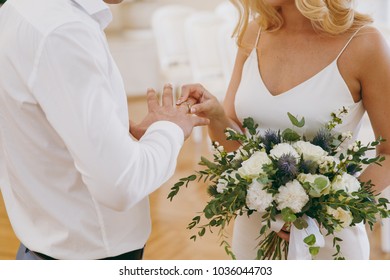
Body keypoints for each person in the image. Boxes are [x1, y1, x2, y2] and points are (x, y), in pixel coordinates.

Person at [178, 0, 390, 259]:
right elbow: (235, 145)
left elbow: (388, 152)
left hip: (328, 240)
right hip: (255, 231)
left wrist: (330, 211)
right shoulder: (253, 33)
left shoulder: (364, 42)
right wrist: (216, 115)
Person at [0, 0, 208, 260]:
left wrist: (134, 142)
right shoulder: (63, 31)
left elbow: (51, 141)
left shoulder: (19, 9)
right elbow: (120, 185)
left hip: (41, 248)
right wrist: (171, 129)